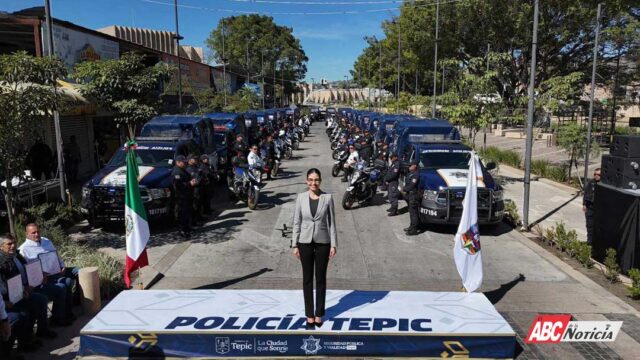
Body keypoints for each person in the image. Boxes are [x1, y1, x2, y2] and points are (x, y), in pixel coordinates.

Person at [292, 169, 337, 330]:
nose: (313, 183)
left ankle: (319, 313)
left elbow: (332, 222)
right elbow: (296, 221)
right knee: (307, 279)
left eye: (316, 180)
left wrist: (333, 244)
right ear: (306, 181)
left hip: (323, 242)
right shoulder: (300, 198)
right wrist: (294, 244)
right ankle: (309, 315)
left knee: (321, 279)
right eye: (310, 180)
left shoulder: (327, 198)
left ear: (320, 181)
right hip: (304, 242)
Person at [0, 234, 56, 345]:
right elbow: (3, 288)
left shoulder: (17, 255)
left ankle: (42, 331)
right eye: (9, 244)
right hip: (8, 299)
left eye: (14, 243)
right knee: (24, 311)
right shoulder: (2, 262)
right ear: (1, 247)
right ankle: (25, 343)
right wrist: (7, 301)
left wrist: (34, 280)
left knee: (41, 300)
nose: (13, 246)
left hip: (22, 291)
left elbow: (28, 270)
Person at [19, 223, 78, 327]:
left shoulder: (46, 241)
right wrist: (40, 276)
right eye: (33, 233)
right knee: (65, 283)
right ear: (27, 234)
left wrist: (62, 265)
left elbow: (56, 254)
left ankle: (71, 308)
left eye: (38, 231)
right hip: (43, 279)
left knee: (78, 271)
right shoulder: (24, 250)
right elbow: (28, 272)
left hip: (56, 271)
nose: (37, 234)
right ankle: (58, 318)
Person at [172, 155, 196, 239]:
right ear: (178, 162)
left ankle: (187, 228)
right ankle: (182, 231)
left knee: (187, 213)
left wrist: (191, 181)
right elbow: (178, 185)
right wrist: (189, 183)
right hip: (181, 197)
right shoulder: (176, 172)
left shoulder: (183, 170)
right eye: (183, 162)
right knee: (182, 214)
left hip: (187, 195)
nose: (185, 163)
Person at [403, 160, 421, 236]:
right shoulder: (411, 173)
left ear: (415, 166)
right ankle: (411, 226)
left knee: (414, 213)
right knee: (411, 212)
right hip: (409, 195)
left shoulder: (416, 175)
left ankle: (414, 229)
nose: (409, 167)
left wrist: (404, 189)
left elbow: (412, 185)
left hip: (413, 195)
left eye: (410, 165)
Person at [583, 168, 600, 245]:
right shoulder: (591, 182)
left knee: (597, 227)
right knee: (589, 225)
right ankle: (589, 242)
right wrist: (584, 204)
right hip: (589, 207)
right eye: (595, 174)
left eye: (598, 174)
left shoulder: (603, 184)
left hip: (598, 209)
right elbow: (586, 193)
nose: (596, 176)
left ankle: (596, 243)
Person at [186, 155, 204, 225]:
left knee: (199, 203)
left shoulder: (196, 167)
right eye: (194, 159)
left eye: (196, 159)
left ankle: (199, 217)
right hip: (194, 189)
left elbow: (200, 175)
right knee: (195, 205)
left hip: (199, 188)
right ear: (190, 160)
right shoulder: (188, 169)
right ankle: (194, 221)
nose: (196, 160)